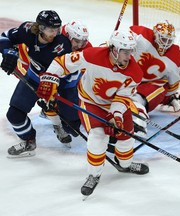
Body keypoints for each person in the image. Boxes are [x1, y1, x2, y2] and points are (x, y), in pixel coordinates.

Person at [36, 30, 149, 196]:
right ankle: (94, 174)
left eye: (131, 51)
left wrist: (115, 116)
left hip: (115, 103)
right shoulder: (93, 55)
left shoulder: (135, 72)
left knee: (126, 136)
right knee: (97, 136)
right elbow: (63, 62)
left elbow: (123, 97)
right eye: (125, 51)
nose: (129, 55)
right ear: (115, 50)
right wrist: (50, 77)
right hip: (91, 102)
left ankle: (125, 165)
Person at [0, 10, 72, 157]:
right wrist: (9, 52)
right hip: (33, 77)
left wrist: (52, 92)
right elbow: (5, 37)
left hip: (58, 83)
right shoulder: (27, 31)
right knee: (14, 115)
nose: (55, 33)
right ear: (40, 28)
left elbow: (69, 73)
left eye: (57, 29)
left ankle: (59, 125)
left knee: (69, 121)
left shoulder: (62, 44)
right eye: (51, 30)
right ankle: (29, 141)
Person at [16, 20, 93, 144]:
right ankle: (56, 124)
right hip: (42, 77)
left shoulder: (85, 48)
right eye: (77, 41)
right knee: (47, 99)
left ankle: (60, 117)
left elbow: (85, 72)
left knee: (72, 126)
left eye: (83, 41)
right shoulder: (53, 41)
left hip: (67, 84)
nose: (80, 45)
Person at [129, 20, 180, 137]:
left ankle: (138, 116)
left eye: (169, 41)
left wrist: (168, 97)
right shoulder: (140, 37)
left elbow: (173, 81)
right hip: (128, 81)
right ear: (155, 34)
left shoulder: (174, 55)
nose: (165, 44)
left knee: (162, 84)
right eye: (163, 39)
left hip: (147, 87)